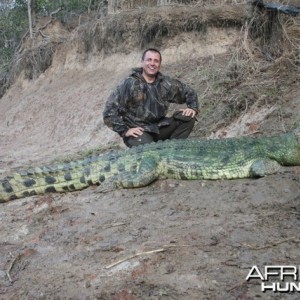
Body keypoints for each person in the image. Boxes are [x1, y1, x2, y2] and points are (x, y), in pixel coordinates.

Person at [103, 48, 199, 148]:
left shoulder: (165, 83)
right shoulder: (128, 84)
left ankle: (171, 150)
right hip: (139, 132)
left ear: (159, 64)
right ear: (142, 62)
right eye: (149, 60)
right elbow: (109, 112)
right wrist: (125, 130)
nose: (152, 63)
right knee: (150, 151)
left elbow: (189, 92)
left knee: (188, 118)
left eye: (156, 61)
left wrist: (192, 108)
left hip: (160, 127)